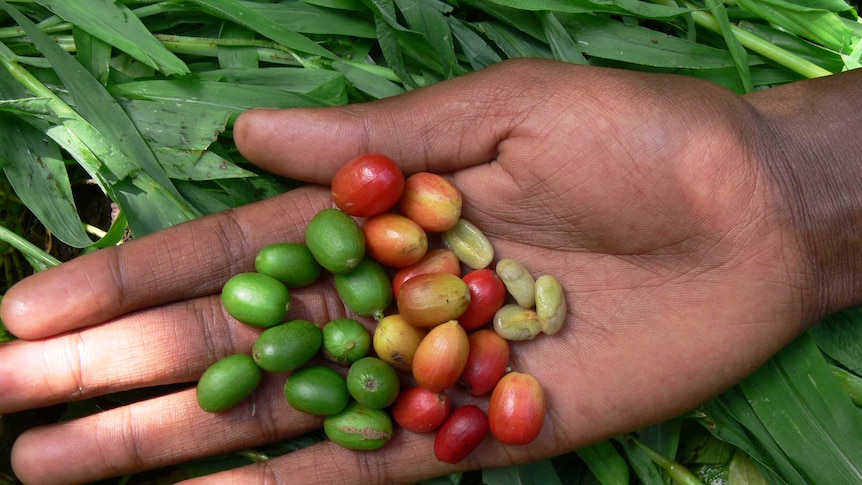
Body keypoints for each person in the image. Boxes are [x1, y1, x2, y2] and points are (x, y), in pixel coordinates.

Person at [1, 58, 861, 484]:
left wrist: (783, 186)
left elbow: (442, 314)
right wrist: (793, 178)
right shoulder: (406, 300)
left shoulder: (439, 298)